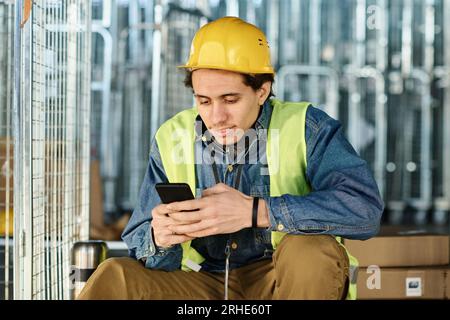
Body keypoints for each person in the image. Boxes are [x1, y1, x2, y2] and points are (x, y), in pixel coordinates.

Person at [78, 16, 383, 300]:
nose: (217, 116)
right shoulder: (172, 136)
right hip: (201, 282)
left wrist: (255, 212)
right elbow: (141, 245)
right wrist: (159, 238)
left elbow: (363, 209)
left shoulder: (306, 127)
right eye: (204, 101)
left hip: (279, 279)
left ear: (262, 91)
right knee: (114, 275)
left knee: (311, 251)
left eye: (230, 99)